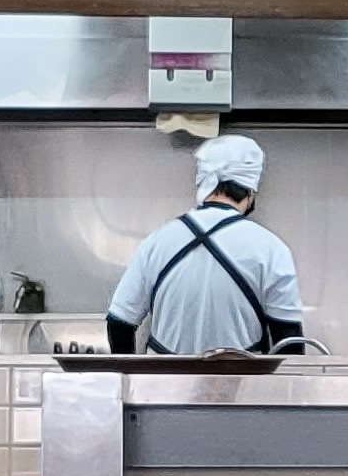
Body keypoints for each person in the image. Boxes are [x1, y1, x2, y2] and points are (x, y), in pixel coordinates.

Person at [106, 134, 306, 356]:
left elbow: (119, 322)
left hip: (164, 376)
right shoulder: (271, 249)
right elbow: (289, 340)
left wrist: (130, 372)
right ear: (251, 190)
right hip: (241, 376)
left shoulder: (156, 243)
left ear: (203, 181)